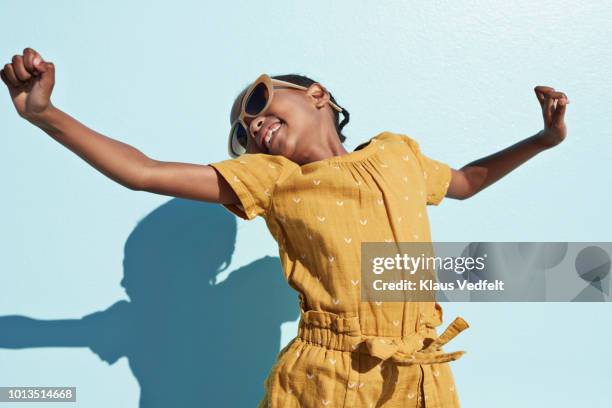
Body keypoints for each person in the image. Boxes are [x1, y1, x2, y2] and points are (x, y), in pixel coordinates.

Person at [1, 47, 569, 408]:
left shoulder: (397, 154)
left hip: (420, 380)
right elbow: (142, 172)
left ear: (317, 95)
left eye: (257, 101)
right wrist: (45, 113)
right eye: (243, 131)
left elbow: (466, 182)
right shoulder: (272, 179)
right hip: (325, 384)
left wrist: (542, 140)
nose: (252, 124)